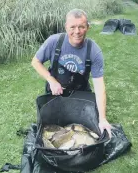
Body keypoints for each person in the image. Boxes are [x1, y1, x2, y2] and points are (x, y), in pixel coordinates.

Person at [31, 9, 112, 138]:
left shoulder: (94, 51)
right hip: (55, 92)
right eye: (72, 27)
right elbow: (35, 62)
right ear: (66, 27)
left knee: (87, 126)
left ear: (88, 27)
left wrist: (102, 119)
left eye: (81, 27)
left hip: (81, 92)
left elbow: (100, 87)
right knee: (51, 128)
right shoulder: (54, 42)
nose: (77, 31)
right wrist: (51, 80)